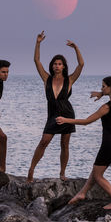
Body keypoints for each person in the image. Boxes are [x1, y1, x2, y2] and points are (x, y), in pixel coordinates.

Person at [56, 76, 111, 209]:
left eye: (103, 86)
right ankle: (82, 193)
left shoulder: (106, 107)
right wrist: (103, 93)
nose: (101, 89)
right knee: (96, 169)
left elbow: (86, 121)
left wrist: (67, 120)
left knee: (98, 175)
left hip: (110, 143)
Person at [27, 31, 84, 182]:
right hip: (52, 115)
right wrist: (38, 43)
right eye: (55, 64)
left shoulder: (70, 79)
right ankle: (31, 170)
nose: (57, 66)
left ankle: (62, 173)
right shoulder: (46, 78)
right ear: (52, 66)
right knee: (44, 142)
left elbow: (81, 64)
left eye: (60, 64)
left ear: (64, 66)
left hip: (67, 115)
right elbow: (36, 61)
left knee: (65, 144)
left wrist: (76, 48)